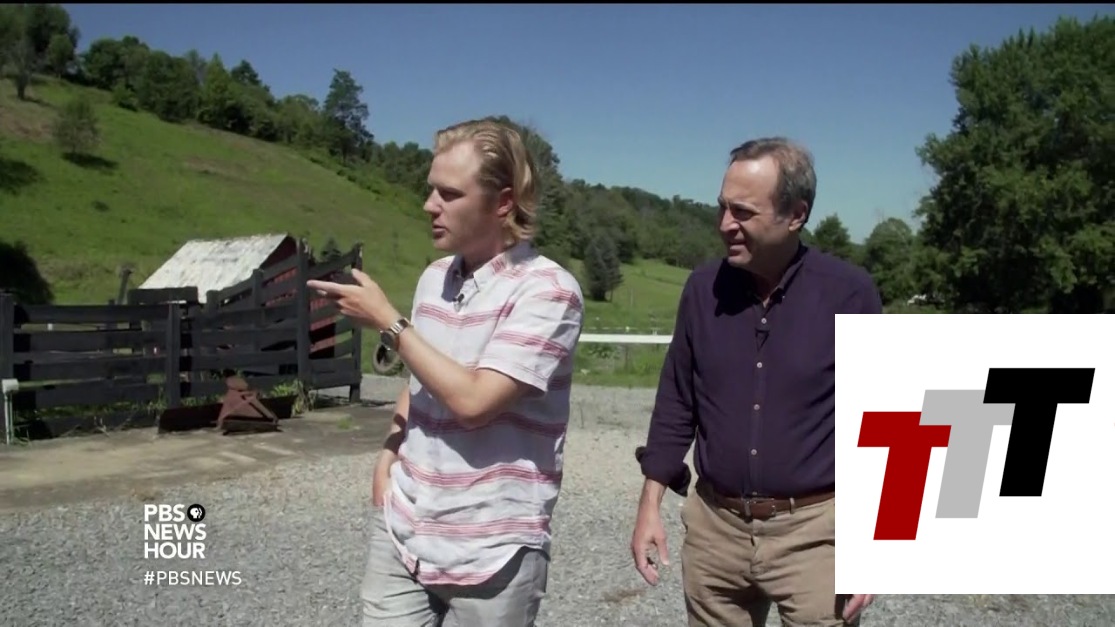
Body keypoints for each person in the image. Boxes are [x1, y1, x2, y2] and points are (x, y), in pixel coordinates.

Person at [308, 118, 585, 626]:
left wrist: (388, 322)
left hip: (492, 546)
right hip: (405, 526)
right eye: (431, 189)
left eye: (449, 194)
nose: (429, 205)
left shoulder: (548, 291)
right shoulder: (434, 278)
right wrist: (388, 454)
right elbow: (421, 378)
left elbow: (474, 402)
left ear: (503, 202)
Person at [629, 137, 880, 626]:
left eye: (743, 212)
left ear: (796, 214)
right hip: (714, 530)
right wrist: (649, 505)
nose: (725, 224)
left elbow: (885, 419)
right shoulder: (702, 289)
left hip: (815, 535)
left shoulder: (849, 294)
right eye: (722, 207)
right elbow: (677, 401)